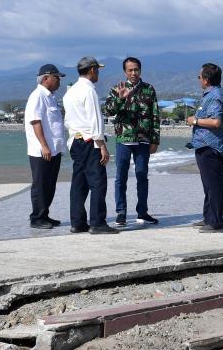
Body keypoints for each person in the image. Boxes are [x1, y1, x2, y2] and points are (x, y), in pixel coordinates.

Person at [63, 57, 119, 234]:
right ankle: (97, 222)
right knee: (97, 183)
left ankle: (77, 222)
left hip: (75, 140)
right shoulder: (89, 91)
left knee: (78, 183)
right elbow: (95, 121)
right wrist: (102, 145)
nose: (98, 74)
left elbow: (67, 120)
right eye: (98, 70)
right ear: (92, 70)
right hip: (89, 141)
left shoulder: (69, 92)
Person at [103, 57, 161, 226]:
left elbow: (155, 116)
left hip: (143, 140)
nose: (133, 73)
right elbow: (108, 111)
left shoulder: (149, 89)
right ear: (125, 72)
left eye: (136, 69)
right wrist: (120, 98)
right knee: (121, 177)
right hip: (124, 139)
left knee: (142, 176)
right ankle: (121, 212)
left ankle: (142, 212)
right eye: (130, 70)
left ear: (140, 70)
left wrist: (155, 140)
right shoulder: (117, 89)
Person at [186, 63, 223, 233]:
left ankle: (215, 222)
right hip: (206, 146)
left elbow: (216, 121)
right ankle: (208, 217)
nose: (198, 80)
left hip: (211, 147)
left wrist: (195, 121)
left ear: (206, 80)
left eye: (199, 77)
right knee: (208, 185)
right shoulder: (213, 94)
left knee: (213, 185)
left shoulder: (214, 96)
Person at [24, 64, 67, 229]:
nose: (59, 81)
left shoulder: (50, 97)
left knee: (50, 184)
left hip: (53, 150)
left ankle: (45, 214)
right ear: (46, 78)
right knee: (40, 184)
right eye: (57, 77)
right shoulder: (38, 96)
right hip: (42, 150)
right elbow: (36, 121)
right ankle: (37, 218)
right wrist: (44, 145)